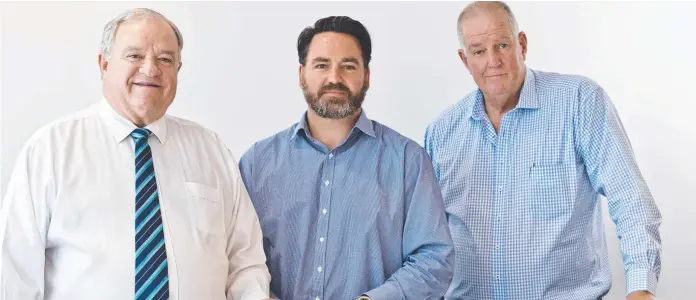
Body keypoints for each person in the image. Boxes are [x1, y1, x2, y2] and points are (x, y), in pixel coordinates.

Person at [0, 8, 271, 300]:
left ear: (178, 69)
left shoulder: (211, 150)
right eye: (134, 56)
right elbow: (15, 274)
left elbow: (246, 262)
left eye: (165, 59)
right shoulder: (51, 149)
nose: (151, 69)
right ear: (104, 64)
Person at [423, 2, 662, 300]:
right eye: (478, 51)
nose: (493, 60)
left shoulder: (579, 102)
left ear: (521, 44)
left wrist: (641, 289)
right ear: (464, 59)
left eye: (502, 45)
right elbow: (427, 239)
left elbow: (631, 202)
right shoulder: (442, 132)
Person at [238, 16, 453, 300]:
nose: (334, 78)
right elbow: (237, 256)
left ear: (367, 76)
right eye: (322, 65)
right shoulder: (257, 163)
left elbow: (434, 260)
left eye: (348, 66)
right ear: (302, 74)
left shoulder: (407, 162)